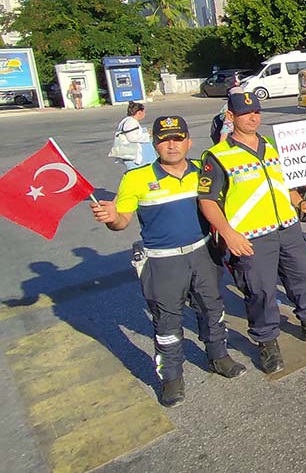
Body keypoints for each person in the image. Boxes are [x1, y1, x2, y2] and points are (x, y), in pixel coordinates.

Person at [91, 116, 247, 407]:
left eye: (178, 139)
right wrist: (111, 217)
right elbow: (122, 221)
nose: (171, 146)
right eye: (164, 140)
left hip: (202, 254)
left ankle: (218, 357)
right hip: (163, 263)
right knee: (167, 322)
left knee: (212, 310)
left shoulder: (203, 172)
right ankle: (171, 377)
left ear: (188, 141)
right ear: (154, 143)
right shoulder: (135, 178)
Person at [198, 92, 306, 375]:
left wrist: (301, 203)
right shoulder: (217, 156)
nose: (253, 117)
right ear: (231, 117)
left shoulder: (274, 147)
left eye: (257, 112)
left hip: (287, 228)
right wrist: (228, 234)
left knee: (302, 277)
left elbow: (285, 186)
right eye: (245, 113)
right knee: (260, 290)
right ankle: (267, 340)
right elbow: (207, 200)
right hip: (250, 236)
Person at [113, 102, 154, 170]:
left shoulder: (126, 121)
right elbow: (132, 138)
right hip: (132, 155)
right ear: (139, 112)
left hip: (128, 153)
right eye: (144, 112)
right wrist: (148, 135)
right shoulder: (131, 122)